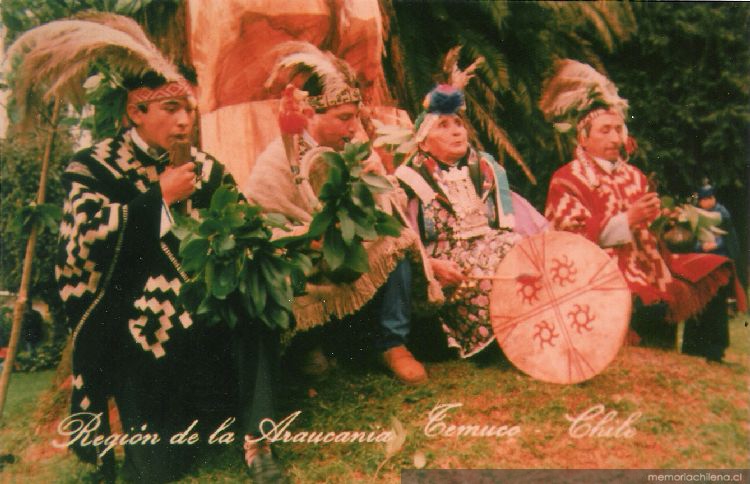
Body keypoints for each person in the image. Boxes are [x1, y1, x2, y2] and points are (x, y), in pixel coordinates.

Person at [7, 15, 285, 481]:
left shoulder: (207, 168)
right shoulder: (92, 168)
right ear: (136, 112)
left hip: (207, 314)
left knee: (253, 303)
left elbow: (243, 224)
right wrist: (160, 198)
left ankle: (259, 439)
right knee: (157, 469)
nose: (182, 121)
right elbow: (81, 242)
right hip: (139, 326)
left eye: (188, 110)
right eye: (170, 108)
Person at [243, 43, 426, 385]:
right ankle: (306, 345)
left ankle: (392, 343)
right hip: (301, 253)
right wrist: (309, 239)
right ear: (311, 115)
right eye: (344, 118)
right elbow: (262, 217)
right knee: (286, 269)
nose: (353, 127)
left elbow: (385, 209)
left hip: (344, 251)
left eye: (355, 117)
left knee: (398, 241)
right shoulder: (279, 158)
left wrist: (375, 181)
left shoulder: (353, 151)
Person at [541, 60, 745, 363]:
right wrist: (627, 221)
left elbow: (650, 233)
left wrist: (667, 221)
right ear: (583, 137)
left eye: (618, 129)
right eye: (605, 130)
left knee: (712, 264)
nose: (614, 138)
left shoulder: (633, 175)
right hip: (599, 271)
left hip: (648, 262)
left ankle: (704, 353)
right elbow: (567, 241)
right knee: (641, 292)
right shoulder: (567, 178)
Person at [395, 84, 548, 358]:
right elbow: (403, 241)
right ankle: (502, 340)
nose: (456, 130)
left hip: (493, 246)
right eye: (443, 125)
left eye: (458, 123)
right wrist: (430, 265)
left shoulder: (485, 171)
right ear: (423, 141)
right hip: (447, 266)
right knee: (502, 257)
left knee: (521, 249)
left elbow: (520, 218)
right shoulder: (411, 180)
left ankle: (536, 331)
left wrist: (547, 241)